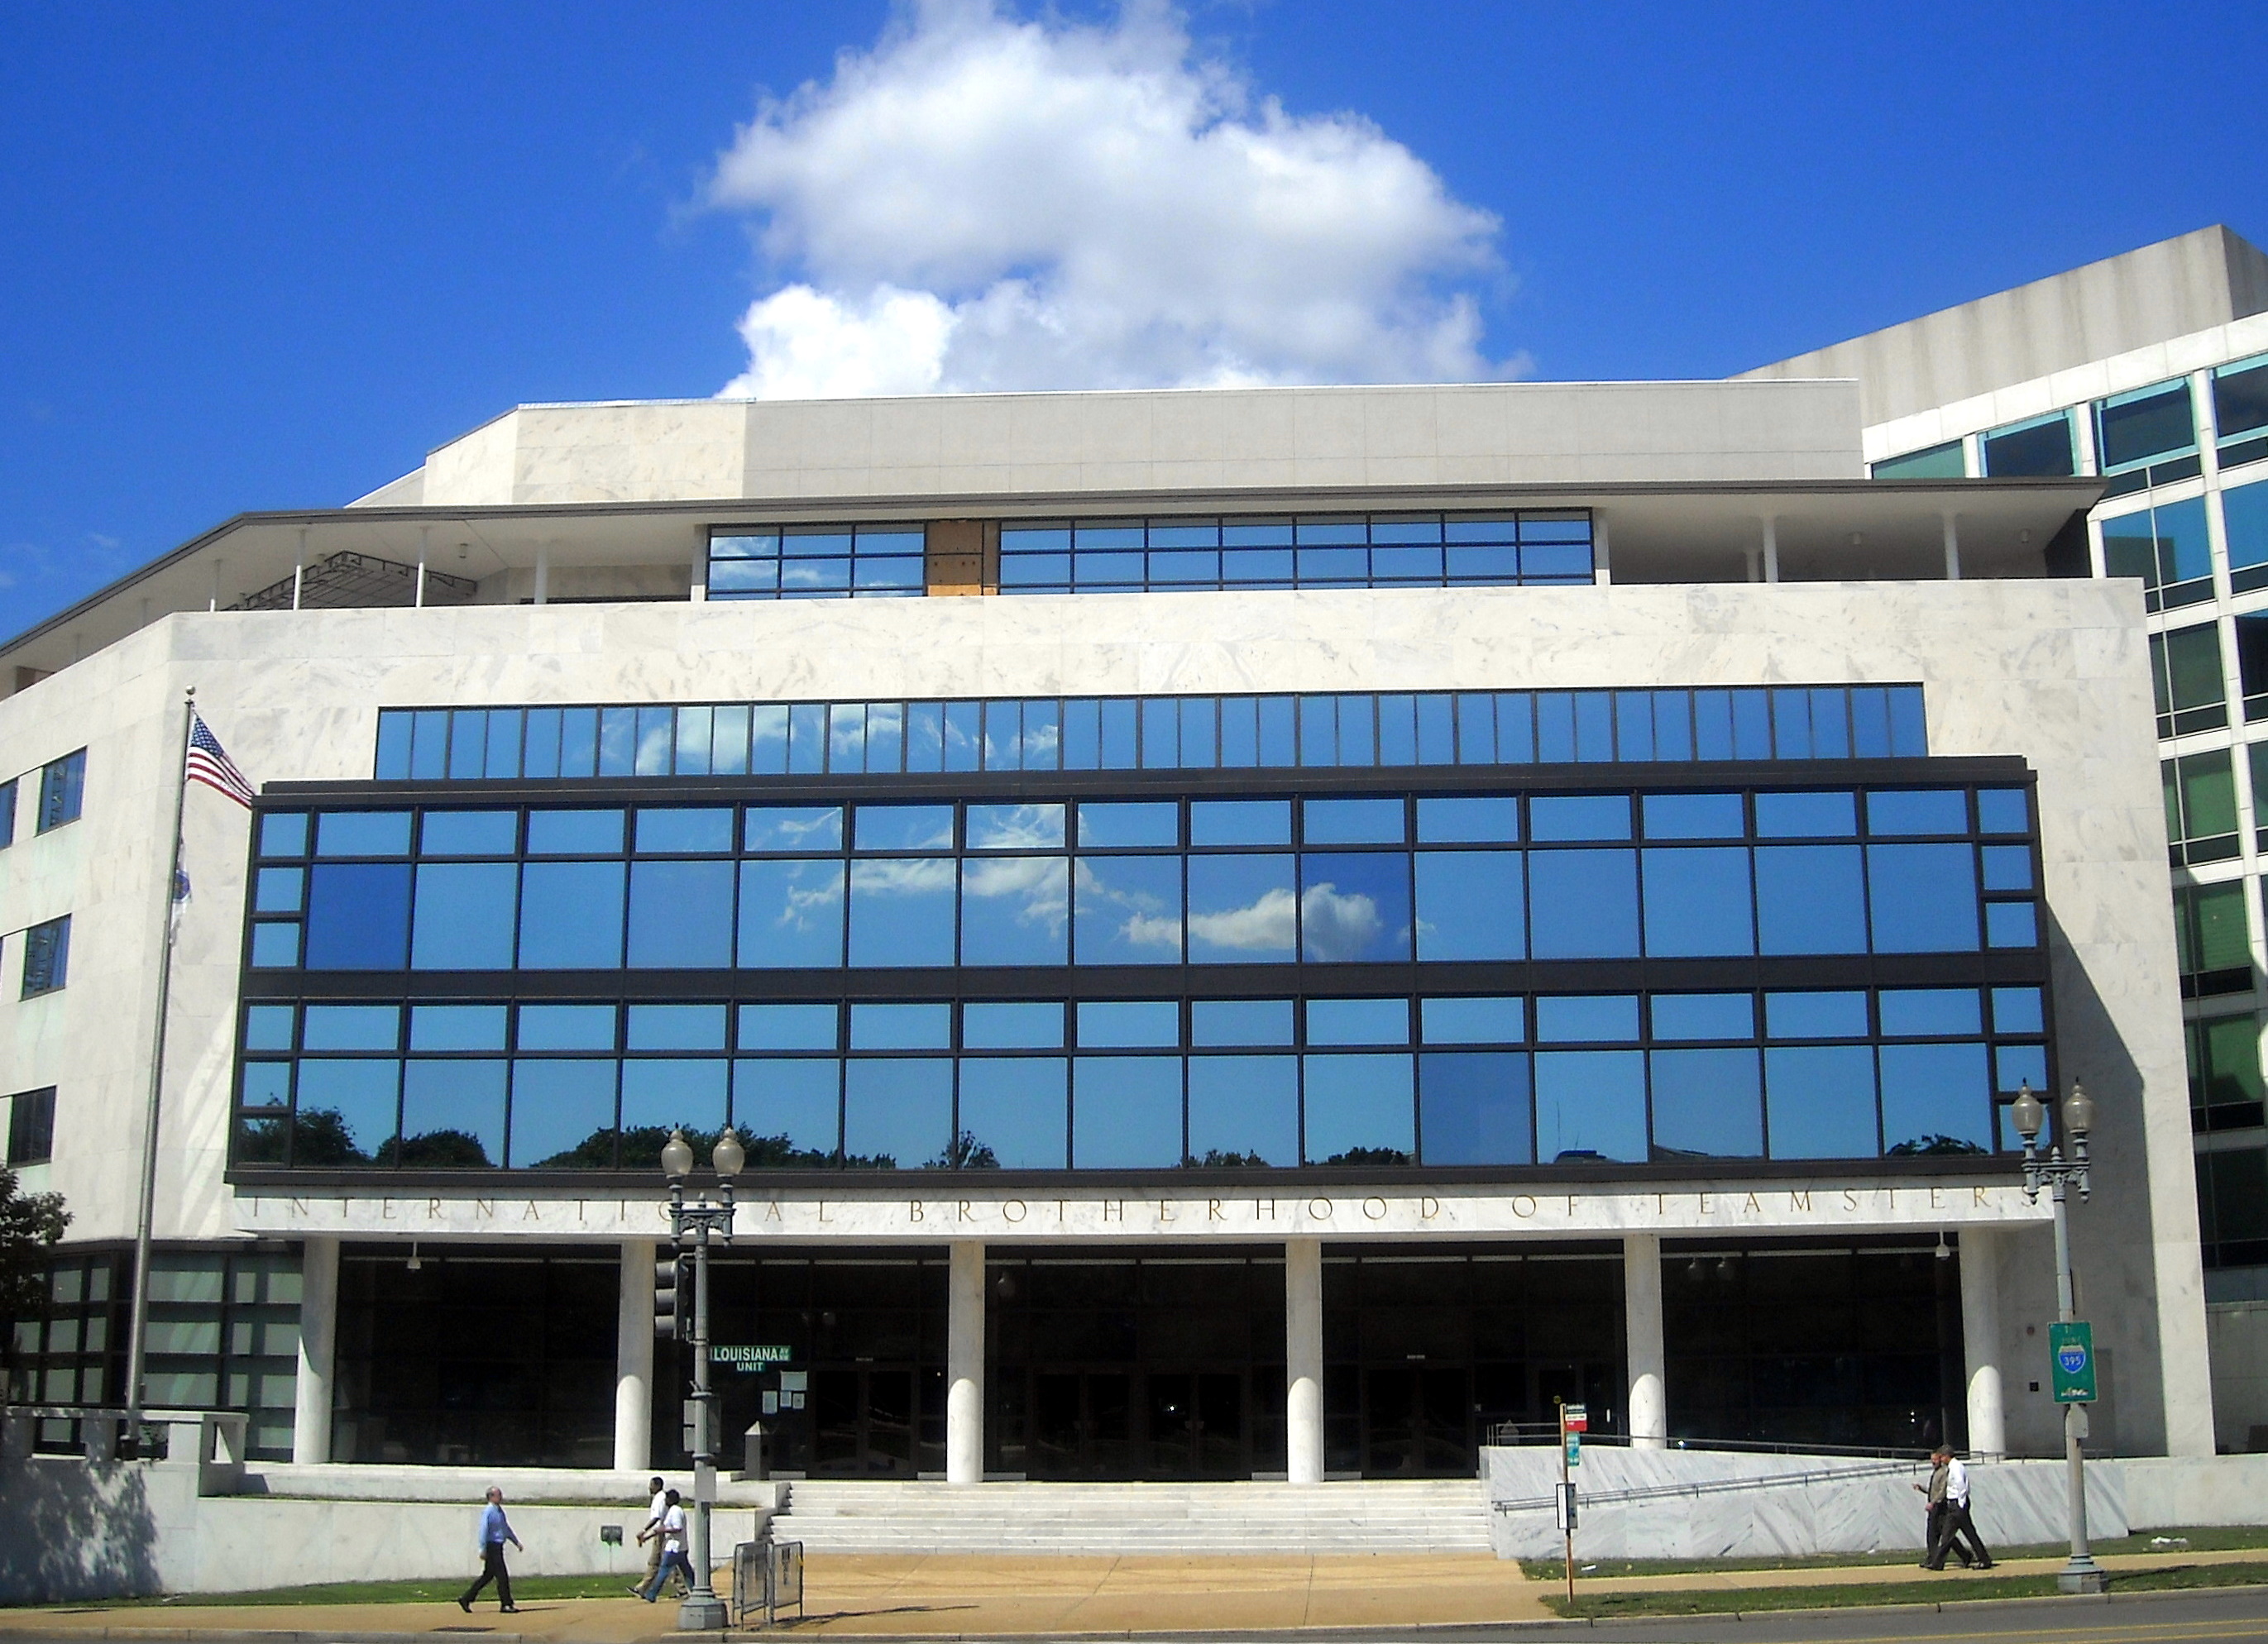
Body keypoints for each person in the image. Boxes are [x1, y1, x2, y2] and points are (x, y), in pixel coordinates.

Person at [1917, 1446, 1994, 1570]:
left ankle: (1984, 1560)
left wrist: (1961, 1504)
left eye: (1942, 1457)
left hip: (1958, 1505)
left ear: (1947, 1456)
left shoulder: (1956, 1467)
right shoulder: (1952, 1467)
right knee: (1948, 1535)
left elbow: (1961, 1486)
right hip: (1954, 1505)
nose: (1941, 1460)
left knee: (1967, 1534)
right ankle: (1938, 1563)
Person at [459, 1486, 523, 1613]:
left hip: (498, 1546)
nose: (501, 1497)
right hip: (492, 1546)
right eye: (498, 1495)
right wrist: (482, 1549)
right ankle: (506, 1603)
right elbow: (483, 1530)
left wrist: (516, 1541)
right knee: (502, 1576)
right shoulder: (488, 1511)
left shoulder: (499, 1511)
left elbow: (505, 1529)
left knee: (488, 1576)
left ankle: (466, 1598)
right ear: (491, 1497)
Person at [634, 1474, 685, 1599]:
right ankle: (643, 1588)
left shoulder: (661, 1498)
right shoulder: (659, 1498)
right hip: (660, 1532)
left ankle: (646, 1590)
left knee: (661, 1562)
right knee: (661, 1562)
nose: (649, 1487)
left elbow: (657, 1518)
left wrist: (645, 1531)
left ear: (657, 1486)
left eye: (651, 1485)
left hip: (661, 1533)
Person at [638, 1489, 694, 1603]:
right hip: (680, 1547)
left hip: (674, 1548)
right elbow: (658, 1530)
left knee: (663, 1571)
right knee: (687, 1572)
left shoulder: (675, 1511)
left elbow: (677, 1528)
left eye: (666, 1499)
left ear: (671, 1500)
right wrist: (646, 1537)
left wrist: (664, 1529)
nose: (665, 1501)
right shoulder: (672, 1511)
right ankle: (696, 1590)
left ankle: (652, 1594)